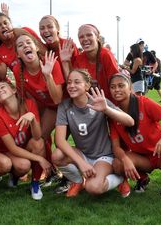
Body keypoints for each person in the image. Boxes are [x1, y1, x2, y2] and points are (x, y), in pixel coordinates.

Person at [52, 69, 134, 198]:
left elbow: (130, 121)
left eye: (77, 82)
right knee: (57, 155)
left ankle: (120, 178)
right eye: (69, 83)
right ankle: (78, 181)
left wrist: (106, 109)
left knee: (93, 188)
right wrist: (81, 163)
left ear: (87, 86)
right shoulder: (65, 106)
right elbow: (60, 140)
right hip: (84, 154)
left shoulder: (98, 101)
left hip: (104, 156)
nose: (72, 86)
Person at [109, 73, 161, 199]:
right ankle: (143, 179)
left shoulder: (144, 102)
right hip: (141, 157)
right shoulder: (114, 114)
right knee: (118, 163)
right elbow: (116, 147)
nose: (117, 89)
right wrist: (125, 158)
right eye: (112, 87)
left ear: (130, 88)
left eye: (121, 85)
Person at [13, 28, 64, 186]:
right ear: (18, 54)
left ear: (35, 47)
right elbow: (24, 96)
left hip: (60, 105)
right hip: (42, 104)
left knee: (44, 137)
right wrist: (29, 115)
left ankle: (53, 170)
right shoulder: (17, 69)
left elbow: (57, 99)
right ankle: (48, 171)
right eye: (20, 45)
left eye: (28, 42)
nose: (25, 45)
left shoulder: (50, 62)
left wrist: (47, 75)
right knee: (39, 138)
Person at [0, 81, 52, 200]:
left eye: (2, 87)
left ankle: (35, 183)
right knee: (23, 165)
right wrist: (40, 159)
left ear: (14, 90)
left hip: (25, 146)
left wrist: (33, 118)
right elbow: (12, 148)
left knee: (39, 142)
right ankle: (15, 175)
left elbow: (37, 136)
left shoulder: (29, 104)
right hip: (8, 151)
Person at [61, 24, 119, 102]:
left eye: (89, 35)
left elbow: (116, 83)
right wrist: (65, 61)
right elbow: (73, 84)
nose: (85, 39)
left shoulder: (106, 55)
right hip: (89, 105)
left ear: (97, 37)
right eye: (81, 37)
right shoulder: (79, 59)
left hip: (109, 103)